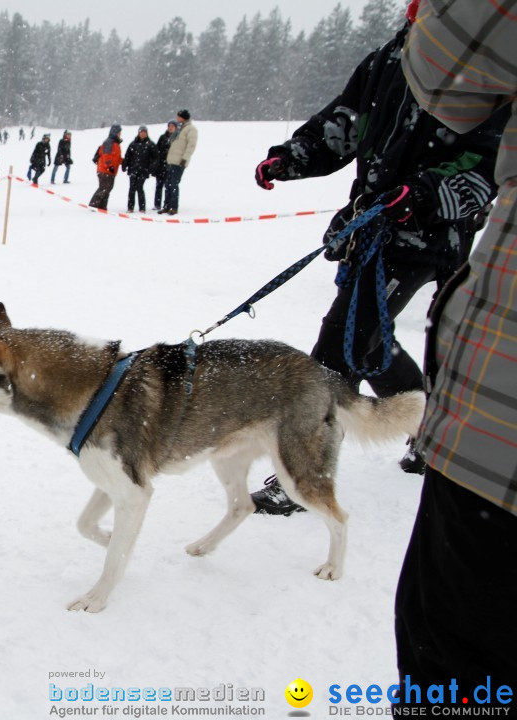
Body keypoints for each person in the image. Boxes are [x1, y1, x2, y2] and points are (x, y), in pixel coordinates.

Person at [249, 6, 506, 516]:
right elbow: (344, 122)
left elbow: (487, 163)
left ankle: (303, 475)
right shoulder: (389, 58)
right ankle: (425, 427)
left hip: (429, 235)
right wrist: (294, 155)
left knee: (336, 348)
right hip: (370, 226)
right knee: (368, 345)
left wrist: (424, 193)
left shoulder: (484, 62)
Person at [395, 0, 517, 704]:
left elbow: (445, 68)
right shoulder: (372, 74)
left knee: (457, 673)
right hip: (391, 222)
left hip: (498, 440)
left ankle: (409, 415)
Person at [160, 109, 196, 215]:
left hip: (179, 162)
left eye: (179, 117)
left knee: (174, 185)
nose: (177, 119)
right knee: (168, 184)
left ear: (183, 118)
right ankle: (166, 206)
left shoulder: (190, 129)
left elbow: (191, 145)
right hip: (171, 161)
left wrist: (184, 159)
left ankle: (173, 207)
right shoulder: (179, 129)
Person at [89, 124, 123, 210]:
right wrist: (110, 166)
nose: (120, 134)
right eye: (119, 132)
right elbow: (106, 155)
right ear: (114, 132)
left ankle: (102, 207)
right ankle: (93, 205)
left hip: (110, 171)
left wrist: (123, 162)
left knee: (107, 189)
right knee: (104, 188)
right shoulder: (109, 142)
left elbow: (116, 158)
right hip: (105, 170)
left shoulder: (115, 143)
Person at [123, 126, 156, 213]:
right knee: (132, 188)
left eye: (144, 132)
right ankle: (130, 207)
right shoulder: (133, 144)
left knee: (139, 187)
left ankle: (142, 208)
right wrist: (124, 165)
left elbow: (155, 158)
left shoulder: (150, 144)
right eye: (141, 132)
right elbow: (127, 156)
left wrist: (151, 168)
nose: (143, 134)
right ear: (138, 133)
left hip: (143, 170)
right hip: (133, 169)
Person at [152, 121, 178, 213]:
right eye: (169, 126)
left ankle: (169, 205)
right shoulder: (162, 137)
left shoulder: (178, 138)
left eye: (172, 126)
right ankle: (157, 204)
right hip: (161, 165)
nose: (170, 128)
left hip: (171, 165)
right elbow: (156, 151)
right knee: (159, 185)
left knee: (169, 186)